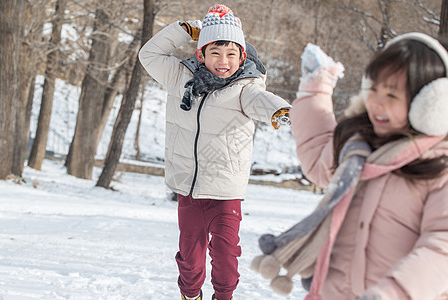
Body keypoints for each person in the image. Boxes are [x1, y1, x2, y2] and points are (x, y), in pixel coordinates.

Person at [138, 4, 291, 300]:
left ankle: (224, 296)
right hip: (189, 188)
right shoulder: (178, 77)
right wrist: (183, 30)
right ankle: (190, 295)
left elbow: (261, 99)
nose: (224, 61)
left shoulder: (245, 87)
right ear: (201, 54)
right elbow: (150, 55)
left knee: (225, 256)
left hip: (225, 190)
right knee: (190, 258)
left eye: (232, 54)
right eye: (216, 53)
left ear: (242, 56)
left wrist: (279, 110)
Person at [286, 32, 448, 300]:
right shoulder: (359, 147)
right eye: (373, 89)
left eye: (392, 95)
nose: (377, 102)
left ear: (430, 104)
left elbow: (442, 246)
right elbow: (318, 158)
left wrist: (393, 293)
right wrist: (315, 90)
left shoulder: (439, 168)